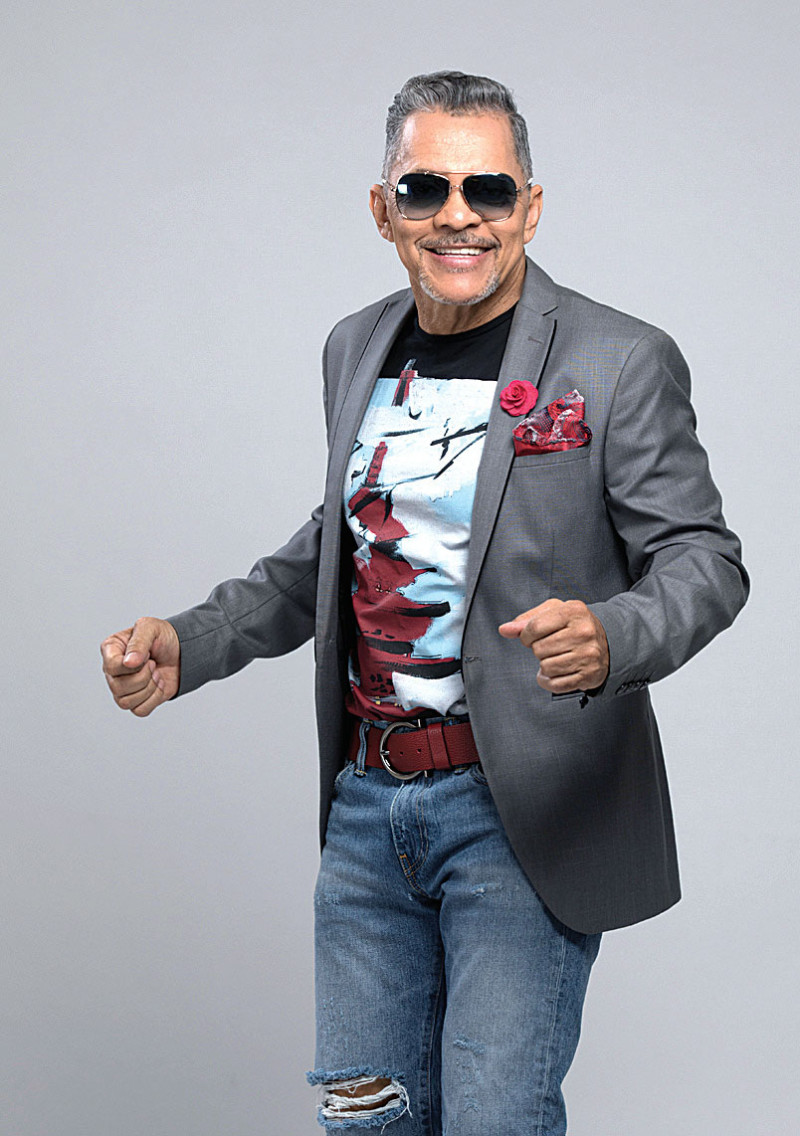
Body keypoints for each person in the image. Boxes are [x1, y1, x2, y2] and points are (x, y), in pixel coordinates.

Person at [101, 71, 749, 1135]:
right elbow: (342, 544)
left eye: (488, 189)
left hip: (520, 806)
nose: (458, 215)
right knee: (367, 1120)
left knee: (494, 1119)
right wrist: (194, 639)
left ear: (529, 209)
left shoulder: (617, 359)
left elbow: (703, 558)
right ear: (382, 208)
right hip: (366, 807)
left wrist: (614, 632)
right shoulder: (353, 346)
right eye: (425, 188)